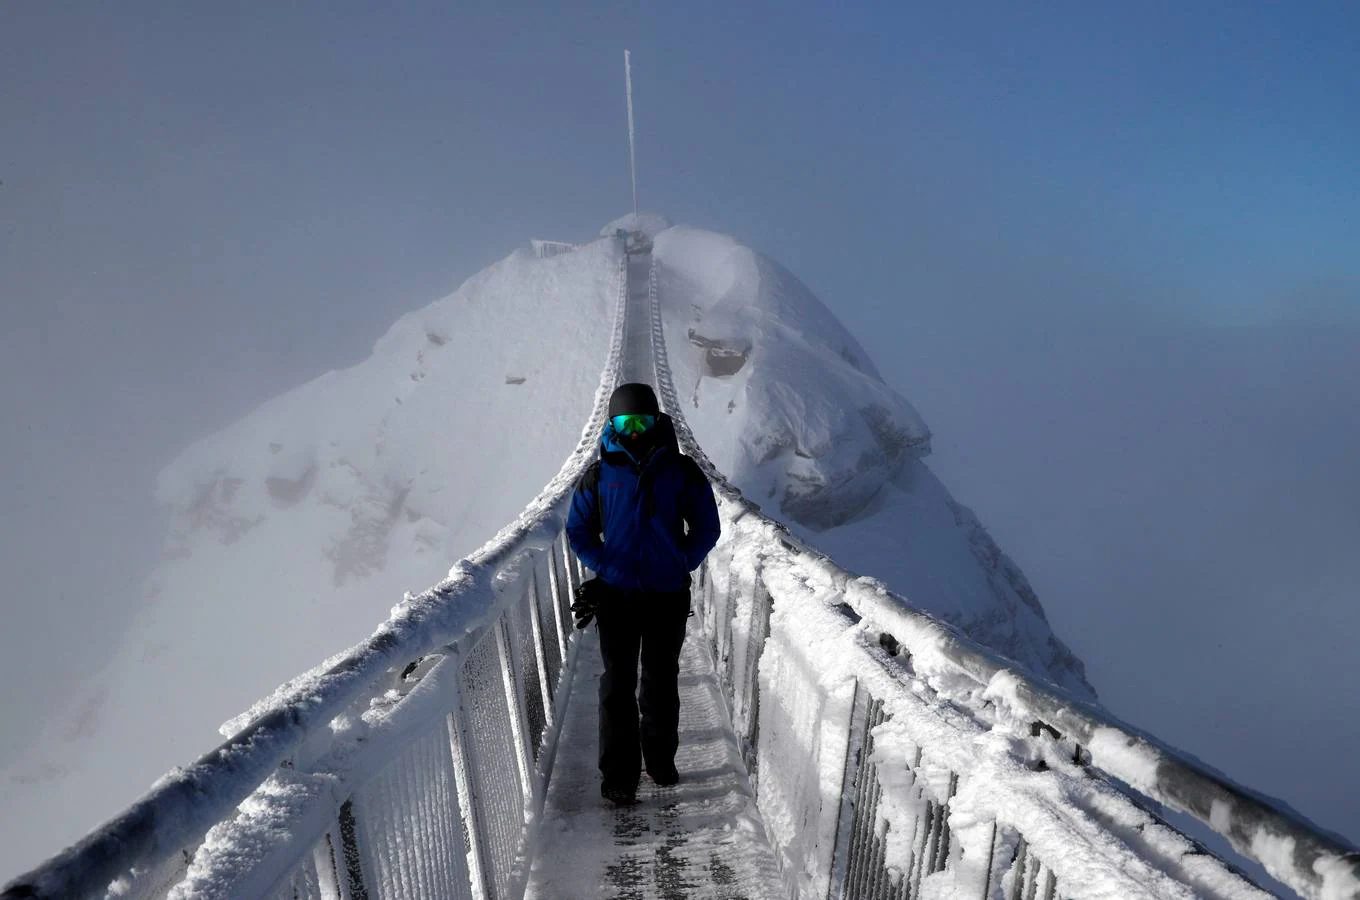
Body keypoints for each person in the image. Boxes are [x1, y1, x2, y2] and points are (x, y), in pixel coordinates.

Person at [566, 382, 721, 806]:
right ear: (612, 424)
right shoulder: (598, 475)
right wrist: (606, 565)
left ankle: (660, 761)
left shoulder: (682, 470)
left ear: (657, 420)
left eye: (643, 420)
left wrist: (680, 561)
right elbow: (577, 529)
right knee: (617, 685)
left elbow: (708, 526)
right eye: (625, 422)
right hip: (617, 596)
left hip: (668, 595)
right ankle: (618, 777)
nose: (635, 430)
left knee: (659, 680)